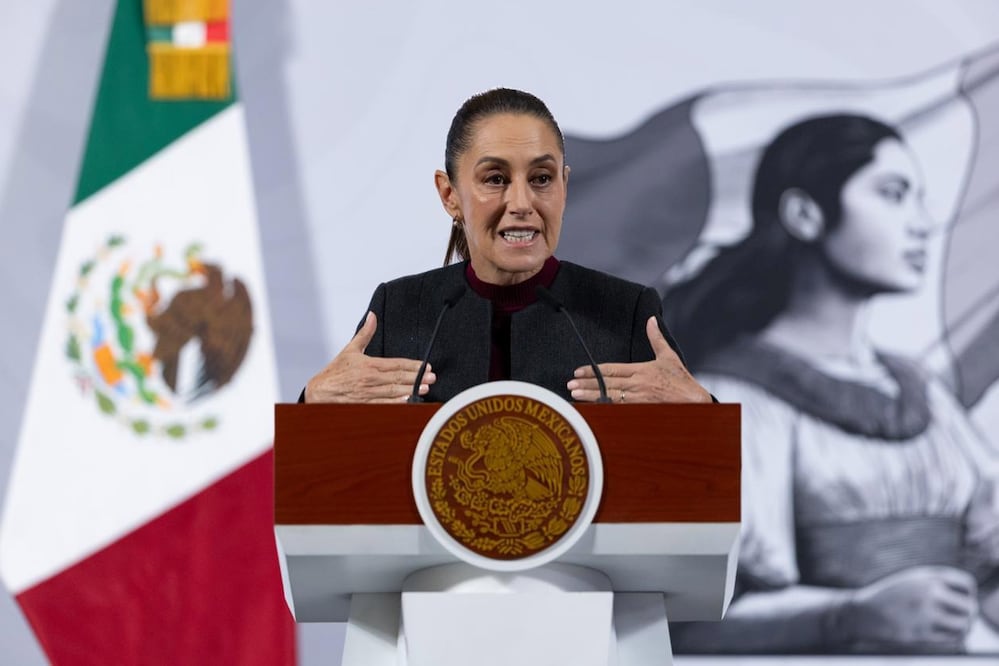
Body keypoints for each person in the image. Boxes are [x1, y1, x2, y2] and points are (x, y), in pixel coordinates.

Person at [663, 114, 999, 653]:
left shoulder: (920, 390)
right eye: (893, 195)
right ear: (805, 214)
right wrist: (849, 616)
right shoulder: (732, 399)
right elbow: (691, 619)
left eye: (918, 198)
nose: (922, 223)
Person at [304, 88, 711, 406]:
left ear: (564, 188)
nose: (521, 203)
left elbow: (698, 482)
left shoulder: (625, 313)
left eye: (541, 178)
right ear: (449, 195)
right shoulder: (400, 311)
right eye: (495, 178)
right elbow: (332, 472)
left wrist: (701, 412)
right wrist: (313, 403)